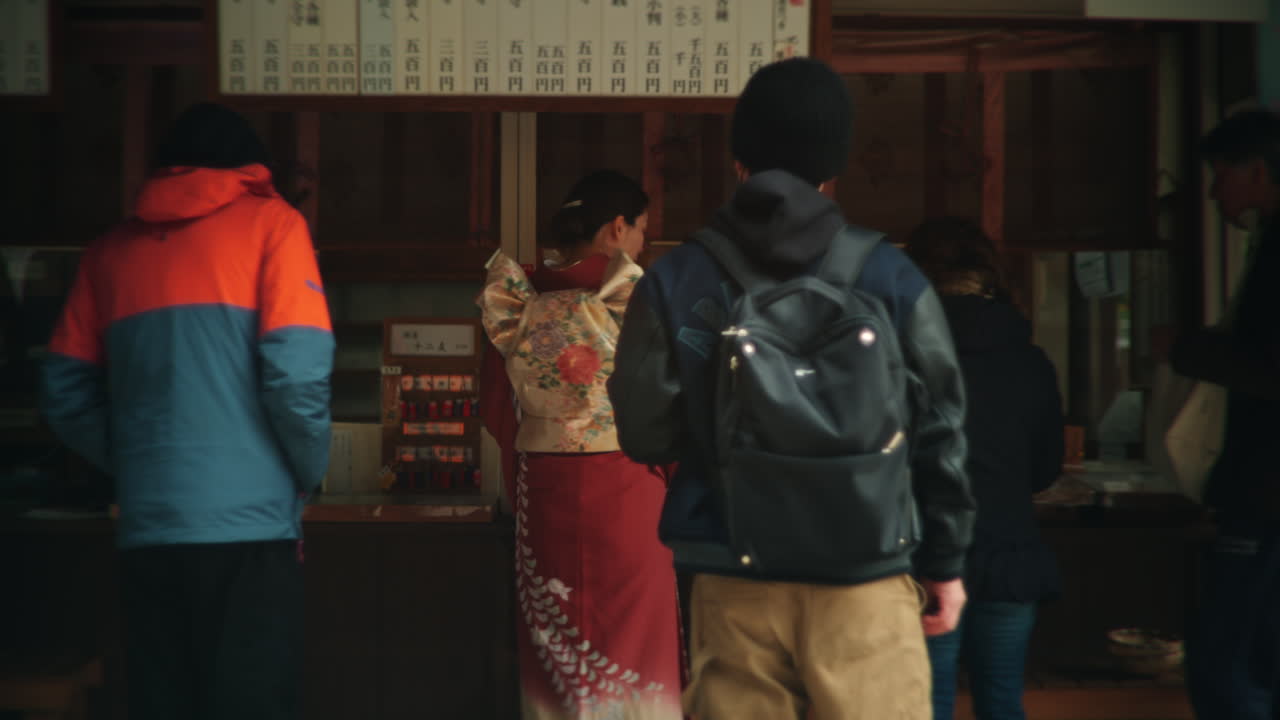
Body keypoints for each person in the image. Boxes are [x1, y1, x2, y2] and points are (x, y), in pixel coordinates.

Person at [607, 57, 975, 720]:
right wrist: (945, 562)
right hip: (866, 573)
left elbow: (643, 430)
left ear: (738, 159)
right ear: (832, 167)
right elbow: (942, 427)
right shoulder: (890, 275)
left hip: (730, 572)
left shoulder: (674, 278)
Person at [40, 102, 333, 720]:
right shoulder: (273, 225)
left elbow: (64, 393)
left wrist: (140, 461)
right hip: (251, 530)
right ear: (251, 168)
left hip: (150, 526)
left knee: (164, 699)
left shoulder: (110, 252)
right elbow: (296, 375)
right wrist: (307, 470)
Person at [476, 169, 684, 720]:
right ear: (618, 227)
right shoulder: (639, 297)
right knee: (636, 638)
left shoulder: (518, 296)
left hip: (544, 489)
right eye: (640, 229)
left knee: (554, 636)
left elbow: (497, 411)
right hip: (632, 490)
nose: (642, 243)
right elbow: (671, 410)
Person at [905, 217, 1064, 720]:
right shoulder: (1029, 360)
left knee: (925, 705)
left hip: (923, 558)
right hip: (1008, 557)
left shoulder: (900, 354)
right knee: (1001, 702)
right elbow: (1045, 470)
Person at [1170, 109, 1280, 719]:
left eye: (1221, 174)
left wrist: (1189, 350)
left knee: (1225, 665)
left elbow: (1267, 364)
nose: (1214, 192)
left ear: (1259, 171)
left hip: (1266, 495)